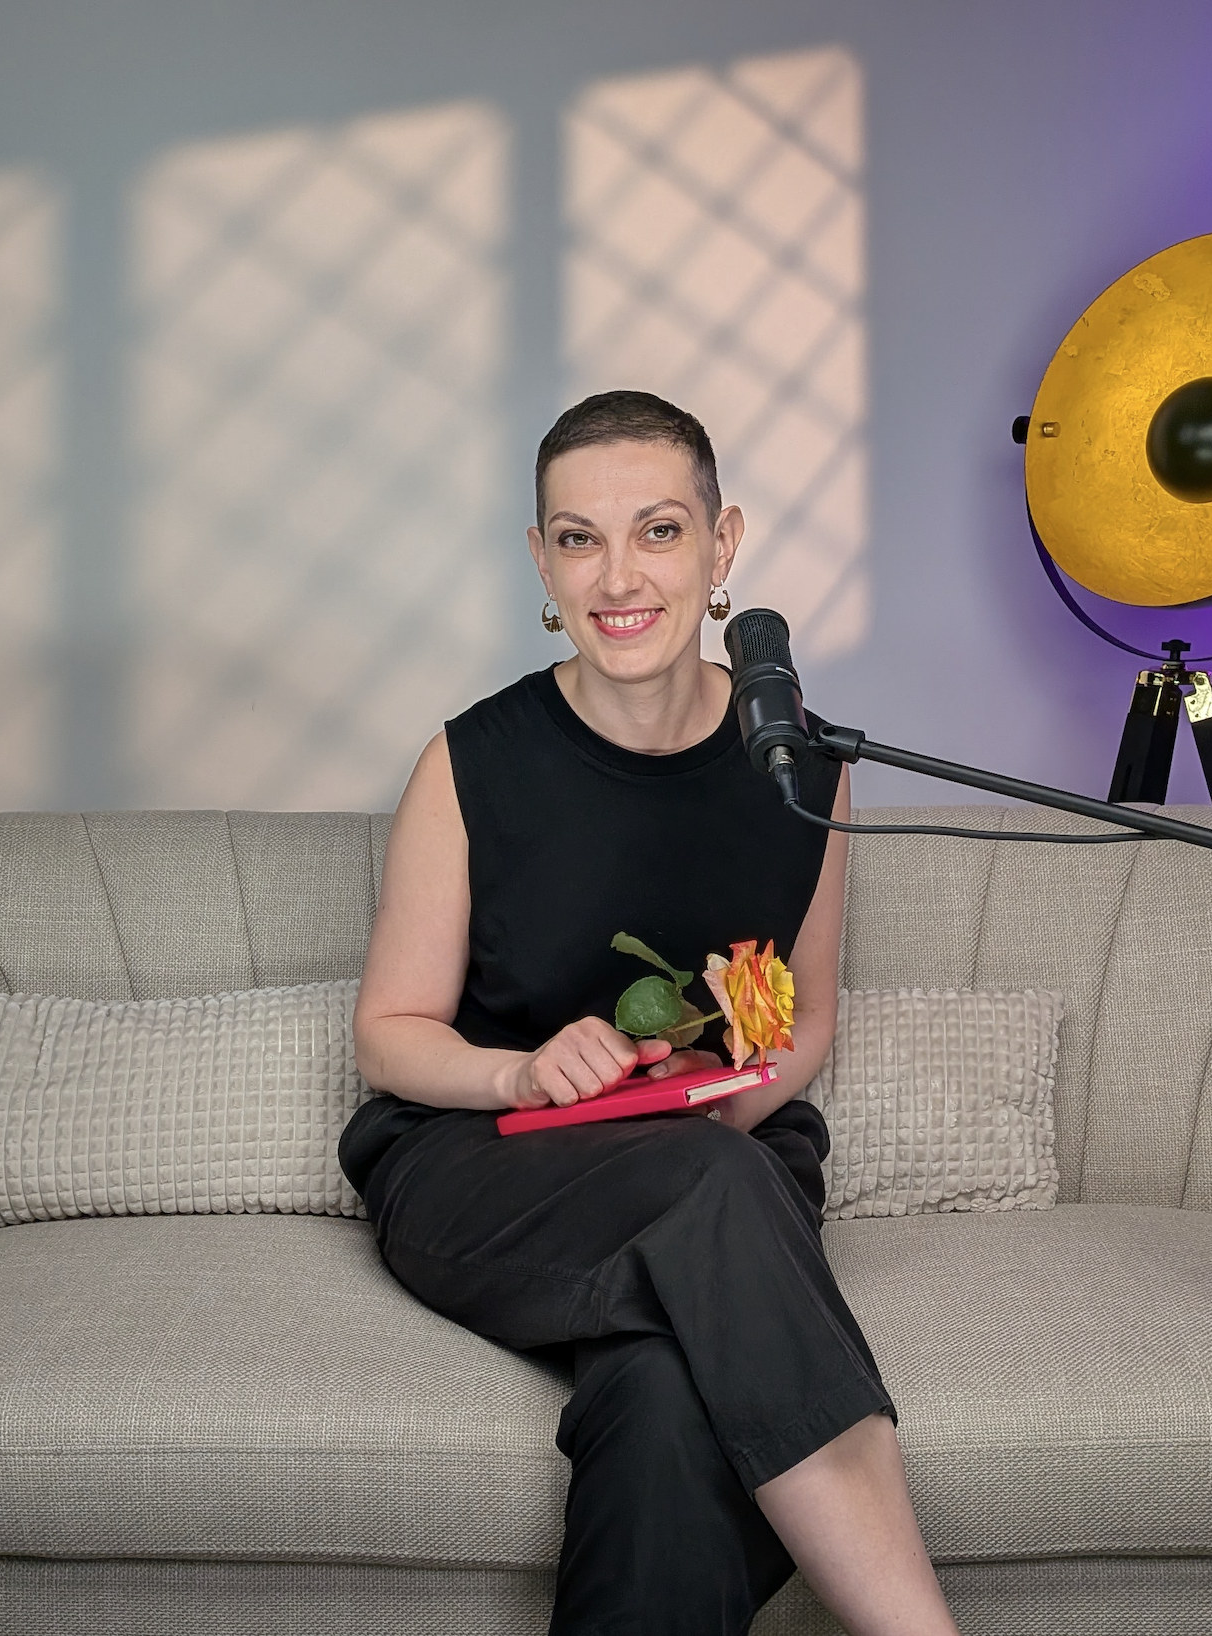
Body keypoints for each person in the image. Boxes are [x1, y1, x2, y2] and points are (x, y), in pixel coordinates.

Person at [342, 391, 962, 1636]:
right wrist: (520, 1075)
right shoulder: (469, 761)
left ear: (722, 547)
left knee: (669, 1399)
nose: (617, 575)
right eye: (578, 538)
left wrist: (714, 1110)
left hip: (719, 1151)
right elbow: (390, 1032)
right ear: (540, 560)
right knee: (710, 1196)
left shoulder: (804, 768)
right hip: (487, 1165)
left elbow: (807, 1024)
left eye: (659, 531)